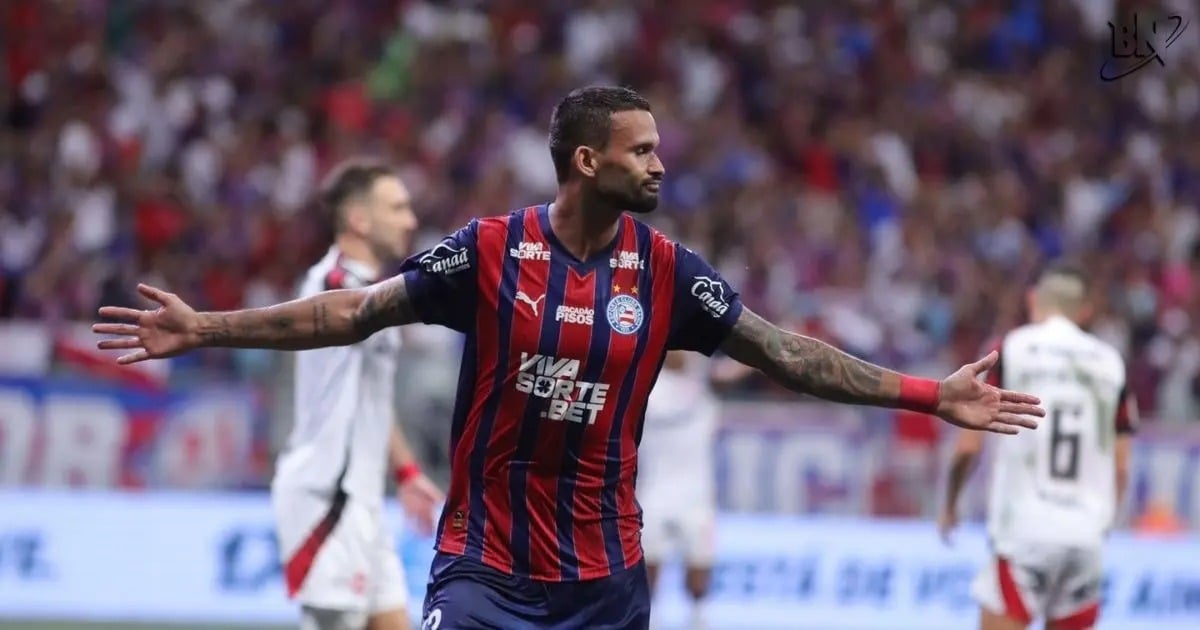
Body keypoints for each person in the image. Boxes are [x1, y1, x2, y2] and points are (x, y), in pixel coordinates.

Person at [93, 86, 1043, 630]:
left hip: (605, 579)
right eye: (642, 150)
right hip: (482, 567)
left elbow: (785, 353)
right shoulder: (490, 251)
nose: (660, 164)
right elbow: (352, 313)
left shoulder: (667, 272)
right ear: (588, 162)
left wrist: (929, 395)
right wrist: (207, 327)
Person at [270, 160, 444, 630]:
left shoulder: (368, 294)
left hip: (361, 497)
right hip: (329, 494)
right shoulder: (335, 287)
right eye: (397, 208)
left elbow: (370, 400)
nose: (410, 220)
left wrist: (407, 472)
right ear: (359, 219)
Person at [938, 262, 1137, 630]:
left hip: (1025, 532)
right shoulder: (1112, 364)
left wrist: (950, 504)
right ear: (1085, 311)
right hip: (1084, 536)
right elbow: (1121, 468)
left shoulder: (1011, 348)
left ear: (1033, 300)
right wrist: (1101, 525)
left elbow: (968, 447)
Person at [637, 350, 753, 630]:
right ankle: (651, 619)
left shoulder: (703, 378)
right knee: (649, 568)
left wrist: (773, 349)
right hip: (651, 492)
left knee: (699, 569)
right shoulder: (644, 382)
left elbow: (737, 369)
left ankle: (698, 619)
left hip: (696, 495)